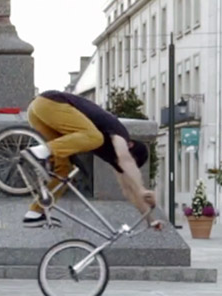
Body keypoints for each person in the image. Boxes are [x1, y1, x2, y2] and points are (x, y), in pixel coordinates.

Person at [22, 90, 158, 228]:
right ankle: (38, 152)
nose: (120, 163)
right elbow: (125, 159)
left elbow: (128, 190)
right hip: (49, 103)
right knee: (95, 137)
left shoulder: (113, 157)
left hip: (38, 115)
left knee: (65, 170)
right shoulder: (120, 133)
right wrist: (142, 188)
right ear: (130, 145)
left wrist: (150, 220)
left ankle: (35, 213)